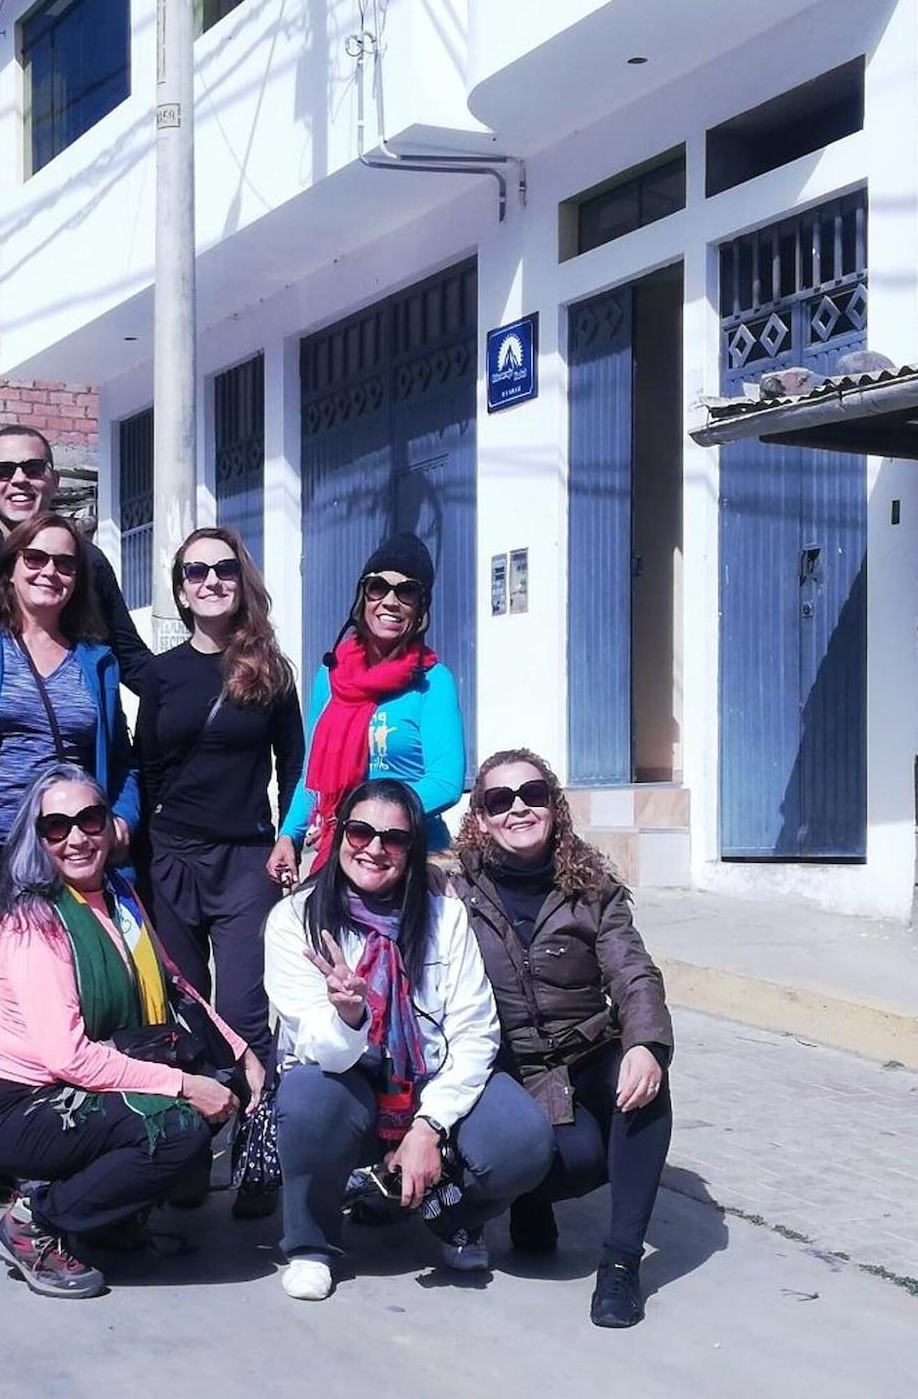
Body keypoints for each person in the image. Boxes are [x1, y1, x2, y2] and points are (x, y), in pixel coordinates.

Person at [0, 509, 141, 1225]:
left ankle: (52, 1142)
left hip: (76, 857)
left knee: (81, 1003)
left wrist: (125, 814)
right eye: (36, 558)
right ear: (10, 567)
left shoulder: (95, 659)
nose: (50, 571)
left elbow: (123, 754)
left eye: (65, 563)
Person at [0, 766, 251, 1298]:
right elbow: (67, 1058)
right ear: (38, 836)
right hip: (21, 1105)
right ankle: (34, 1223)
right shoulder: (33, 925)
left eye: (90, 819)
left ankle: (102, 1218)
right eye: (57, 826)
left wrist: (240, 1054)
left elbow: (174, 983)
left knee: (218, 1087)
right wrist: (185, 1085)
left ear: (110, 826)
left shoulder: (119, 893)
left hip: (83, 1082)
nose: (77, 838)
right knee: (177, 1129)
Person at [265, 778, 554, 1301]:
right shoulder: (294, 921)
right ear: (339, 835)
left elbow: (475, 1030)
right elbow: (312, 1046)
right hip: (347, 1083)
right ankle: (312, 1243)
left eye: (393, 839)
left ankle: (451, 1211)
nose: (374, 849)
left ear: (412, 851)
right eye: (360, 832)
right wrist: (349, 1016)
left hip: (429, 1084)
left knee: (524, 1139)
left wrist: (429, 1125)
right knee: (306, 1099)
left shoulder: (444, 918)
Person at [453, 749, 674, 1328]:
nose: (518, 808)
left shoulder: (592, 887)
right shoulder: (454, 895)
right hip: (511, 1068)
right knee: (565, 1161)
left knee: (647, 1087)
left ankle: (621, 1265)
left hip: (588, 1050)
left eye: (532, 794)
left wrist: (647, 1044)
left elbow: (633, 971)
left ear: (554, 805)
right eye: (500, 800)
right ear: (480, 817)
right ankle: (526, 1197)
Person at [136, 525, 303, 1217]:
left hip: (245, 861)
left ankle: (258, 1152)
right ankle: (184, 1157)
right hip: (169, 855)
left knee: (241, 1011)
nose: (210, 580)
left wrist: (290, 837)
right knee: (182, 1012)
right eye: (195, 572)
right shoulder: (162, 674)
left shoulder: (269, 670)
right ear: (180, 590)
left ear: (242, 580)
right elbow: (143, 767)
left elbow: (297, 765)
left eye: (223, 569)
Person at [274, 532, 464, 882]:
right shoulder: (330, 674)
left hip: (409, 855)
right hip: (344, 848)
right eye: (378, 587)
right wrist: (290, 834)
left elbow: (446, 782)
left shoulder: (433, 681)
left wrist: (362, 815)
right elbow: (311, 772)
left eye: (406, 591)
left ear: (421, 607)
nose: (390, 601)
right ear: (363, 597)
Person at [0, 422, 153, 687]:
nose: (19, 479)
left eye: (33, 468)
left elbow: (128, 657)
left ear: (54, 481)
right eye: (3, 471)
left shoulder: (88, 561)